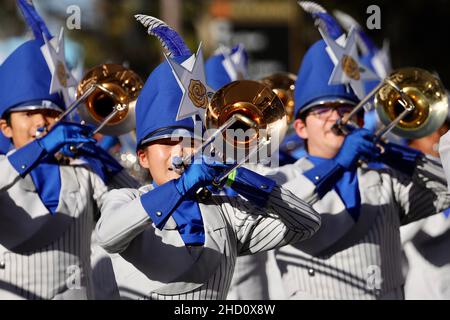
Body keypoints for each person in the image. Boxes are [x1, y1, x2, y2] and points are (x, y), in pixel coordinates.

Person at [95, 16, 321, 300]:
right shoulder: (125, 200)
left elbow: (308, 223)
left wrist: (238, 175)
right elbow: (107, 236)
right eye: (166, 143)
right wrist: (179, 188)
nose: (179, 152)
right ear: (142, 157)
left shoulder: (227, 211)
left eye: (191, 143)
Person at [251, 38, 450, 300]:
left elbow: (445, 189)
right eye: (322, 110)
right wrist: (337, 164)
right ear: (300, 127)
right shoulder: (281, 178)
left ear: (358, 120)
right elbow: (279, 214)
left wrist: (391, 152)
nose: (336, 117)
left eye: (345, 109)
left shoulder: (384, 179)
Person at [0, 1, 137, 299]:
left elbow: (135, 208)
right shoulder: (3, 169)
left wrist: (104, 161)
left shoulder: (83, 169)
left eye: (51, 114)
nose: (41, 122)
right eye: (28, 113)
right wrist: (41, 148)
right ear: (5, 127)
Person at [401, 115, 450, 299]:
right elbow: (395, 240)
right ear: (411, 144)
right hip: (425, 292)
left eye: (443, 130)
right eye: (429, 132)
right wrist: (427, 195)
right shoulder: (405, 185)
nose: (437, 137)